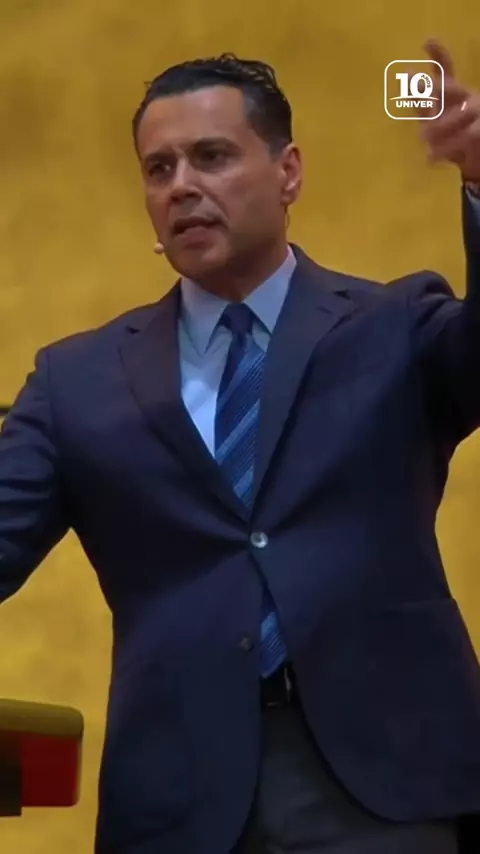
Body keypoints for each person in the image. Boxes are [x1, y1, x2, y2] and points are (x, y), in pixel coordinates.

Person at [1, 38, 480, 854]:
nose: (181, 186)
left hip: (385, 789)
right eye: (159, 169)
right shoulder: (74, 380)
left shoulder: (393, 326)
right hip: (177, 801)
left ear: (288, 172)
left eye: (212, 157)